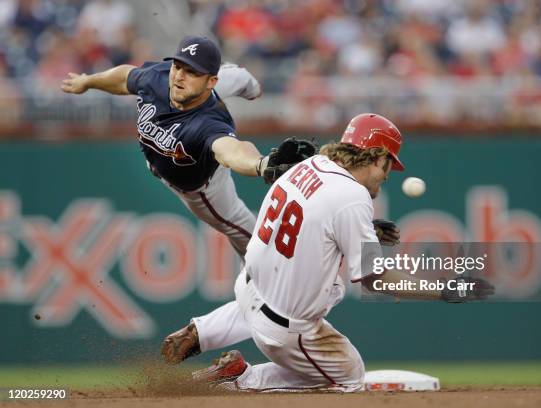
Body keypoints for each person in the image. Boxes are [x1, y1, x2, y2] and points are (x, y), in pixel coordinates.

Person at [161, 113, 494, 392]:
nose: (387, 176)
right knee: (350, 377)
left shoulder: (309, 166)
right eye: (388, 165)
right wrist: (448, 290)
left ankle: (204, 330)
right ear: (377, 156)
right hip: (284, 329)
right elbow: (375, 281)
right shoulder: (352, 197)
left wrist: (367, 230)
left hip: (248, 291)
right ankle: (240, 379)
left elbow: (315, 219)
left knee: (277, 294)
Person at [60, 35, 297, 259]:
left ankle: (267, 275)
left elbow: (231, 151)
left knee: (242, 230)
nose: (179, 76)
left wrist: (261, 164)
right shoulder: (160, 77)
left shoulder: (209, 124)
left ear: (209, 80)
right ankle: (241, 79)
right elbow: (125, 77)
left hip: (203, 186)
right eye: (178, 66)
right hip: (189, 117)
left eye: (191, 71)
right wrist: (87, 81)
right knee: (211, 85)